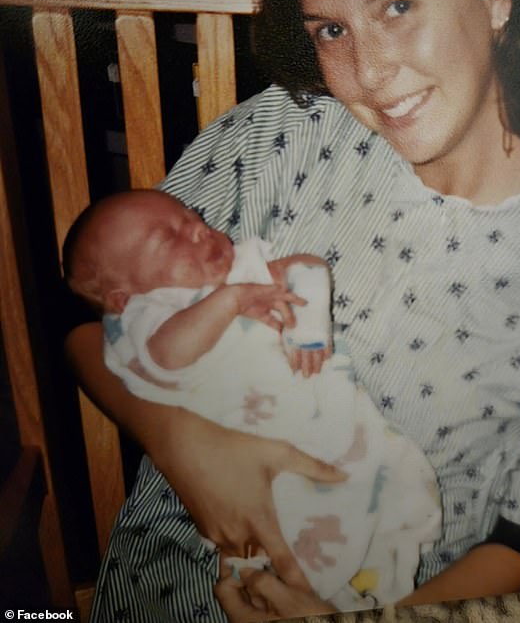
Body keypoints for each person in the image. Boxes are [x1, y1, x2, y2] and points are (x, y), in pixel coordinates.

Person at [65, 0, 520, 622]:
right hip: (171, 587)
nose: (368, 69)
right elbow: (86, 312)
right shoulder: (284, 135)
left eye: (397, 7)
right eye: (332, 29)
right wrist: (183, 442)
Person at [63, 188, 441, 609]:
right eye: (170, 238)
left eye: (195, 218)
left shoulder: (243, 267)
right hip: (248, 468)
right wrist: (235, 299)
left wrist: (310, 325)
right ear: (122, 297)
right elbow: (166, 358)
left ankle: (377, 580)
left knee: (375, 505)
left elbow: (308, 267)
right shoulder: (146, 317)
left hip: (324, 429)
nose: (199, 231)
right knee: (282, 546)